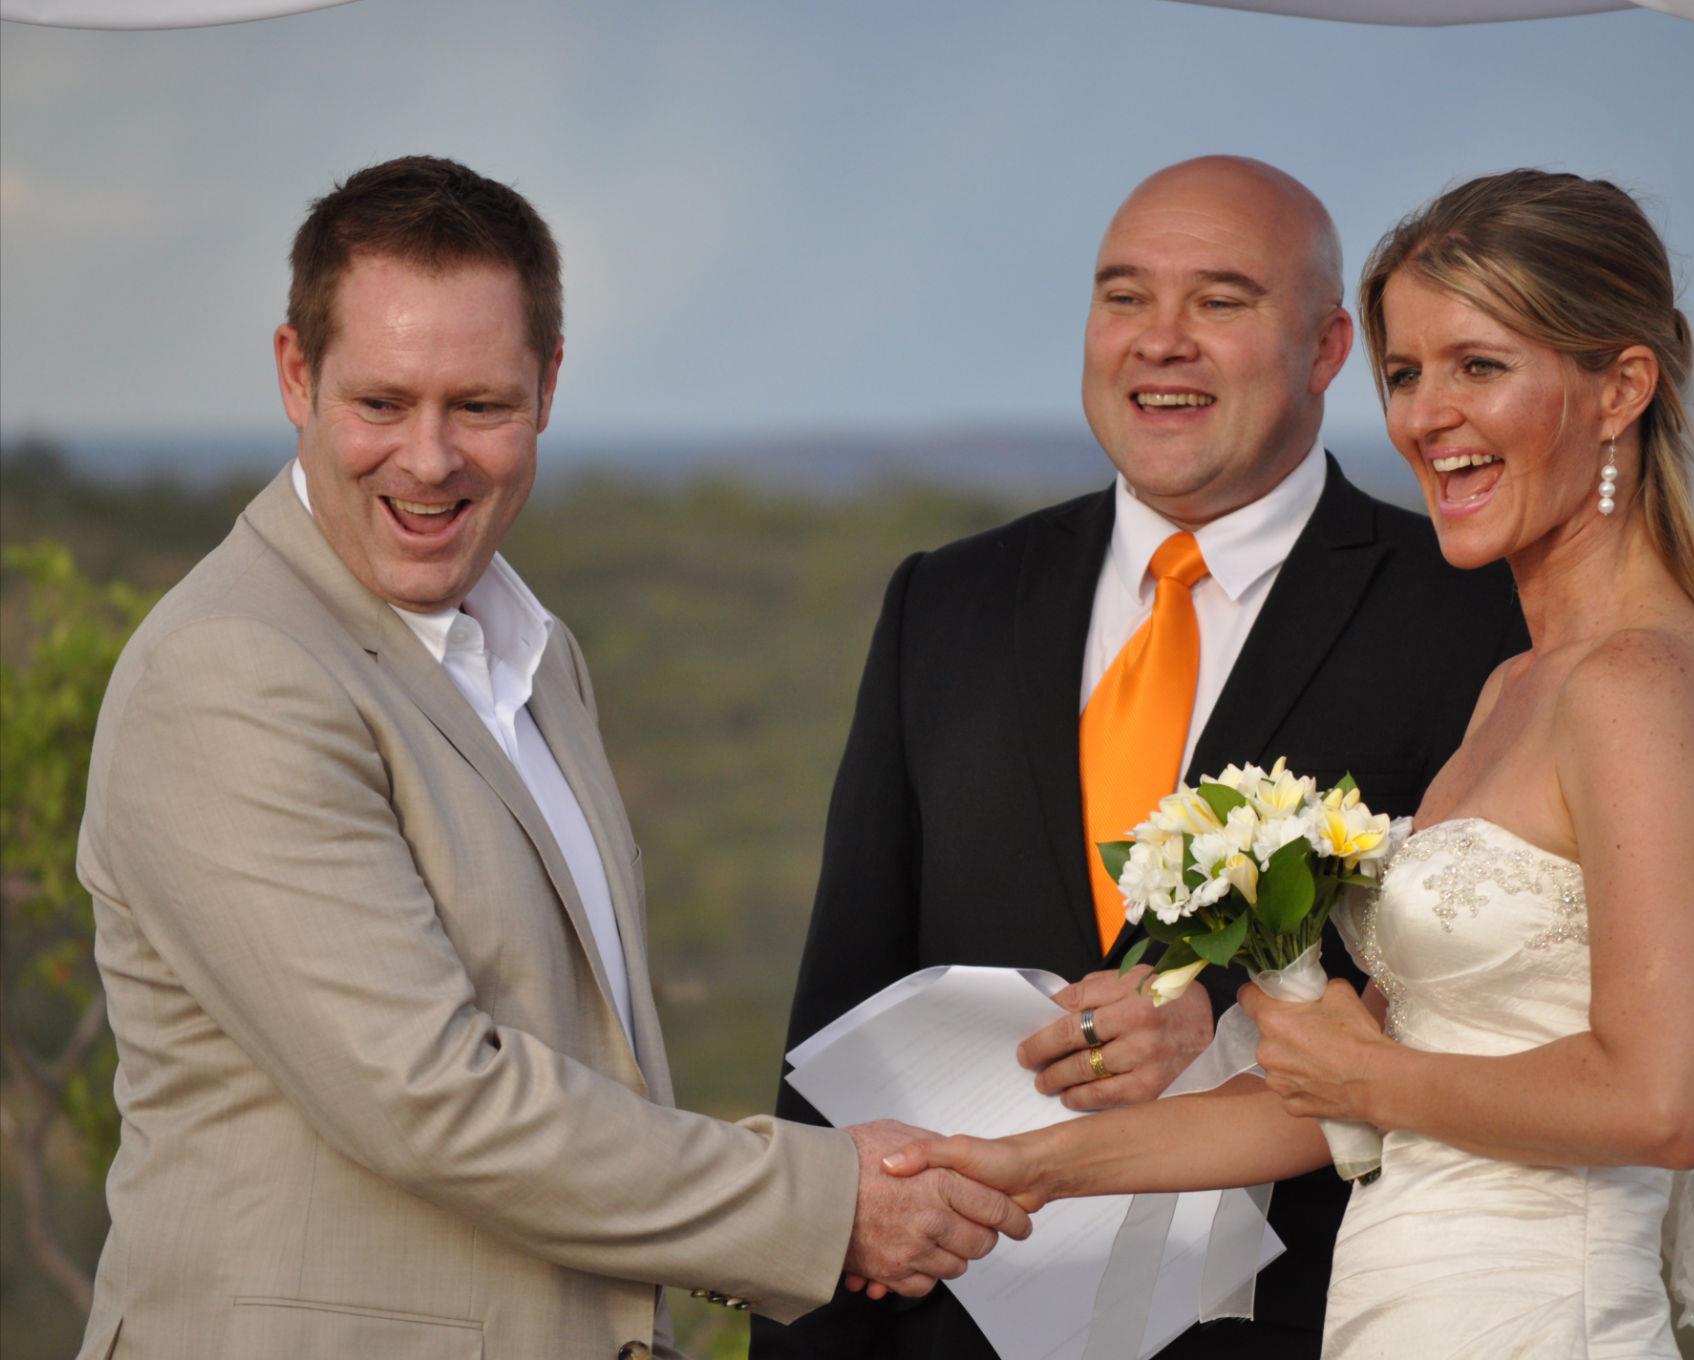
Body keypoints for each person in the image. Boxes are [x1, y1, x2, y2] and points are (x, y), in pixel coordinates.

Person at [884, 169, 1694, 1358]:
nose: (1425, 417)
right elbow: (1329, 1098)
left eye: (1478, 366)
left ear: (1620, 388)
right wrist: (1015, 1167)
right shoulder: (1516, 686)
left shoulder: (1640, 686)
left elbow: (1663, 1101)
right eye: (1405, 373)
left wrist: (1366, 1081)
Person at [70, 155, 1028, 1360]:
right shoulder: (231, 669)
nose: (429, 459)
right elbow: (430, 1097)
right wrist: (826, 1206)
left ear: (549, 386)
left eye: (478, 405)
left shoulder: (534, 653)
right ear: (295, 374)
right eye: (381, 403)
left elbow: (582, 1058)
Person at [753, 156, 1525, 1359]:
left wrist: (1214, 1002)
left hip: (1300, 1323)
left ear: (1327, 348)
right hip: (952, 1327)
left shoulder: (1471, 617)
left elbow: (1493, 997)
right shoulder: (946, 601)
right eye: (1123, 297)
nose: (1159, 339)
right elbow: (846, 999)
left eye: (1219, 301)